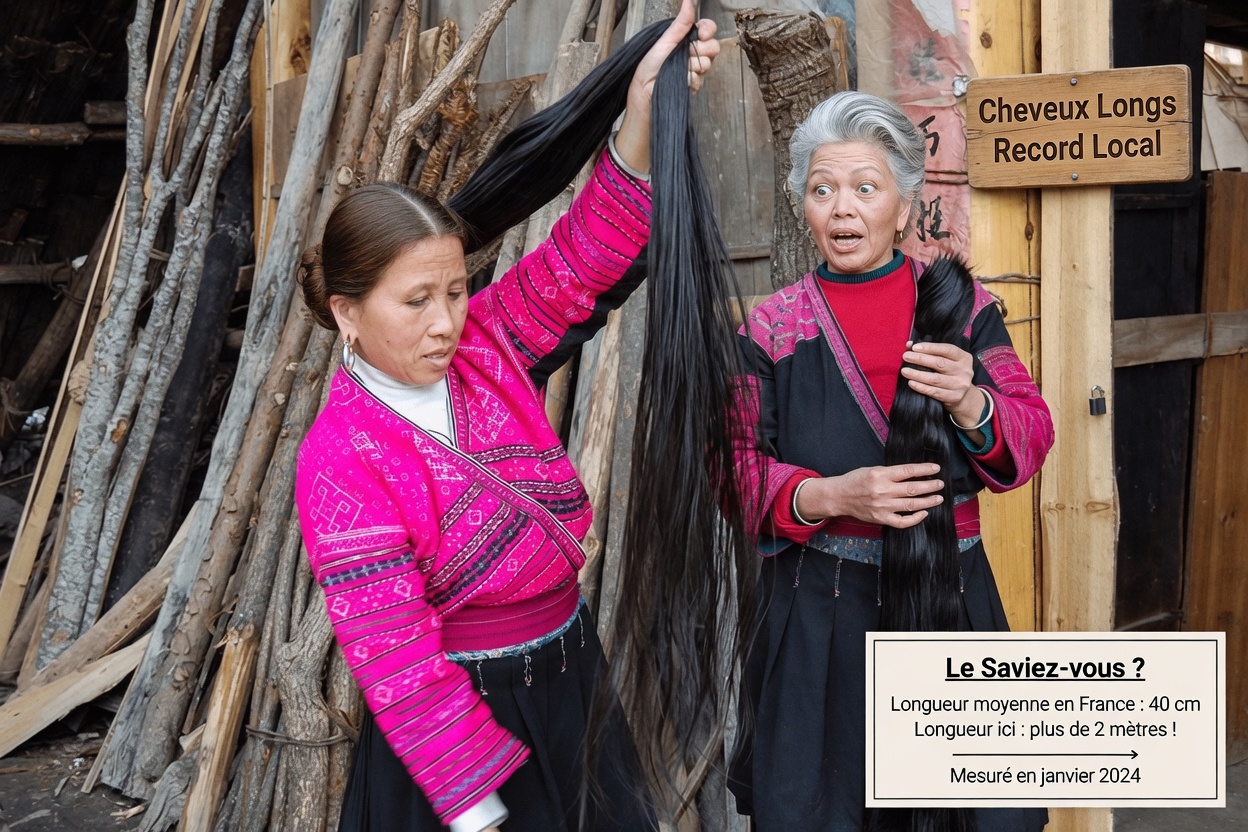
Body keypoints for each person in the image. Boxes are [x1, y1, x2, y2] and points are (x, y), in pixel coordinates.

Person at [292, 6, 720, 832]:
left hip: (569, 681)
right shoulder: (341, 456)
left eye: (455, 291)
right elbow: (396, 654)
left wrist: (640, 112)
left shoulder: (486, 345)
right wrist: (476, 807)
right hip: (460, 733)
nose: (447, 320)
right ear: (347, 313)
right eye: (416, 301)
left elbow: (582, 255)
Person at [727, 90, 1054, 831]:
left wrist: (973, 402)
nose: (842, 210)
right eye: (822, 189)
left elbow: (1033, 433)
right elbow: (733, 473)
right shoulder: (772, 329)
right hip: (821, 615)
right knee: (826, 809)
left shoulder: (963, 312)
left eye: (865, 189)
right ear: (803, 206)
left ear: (904, 207)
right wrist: (834, 494)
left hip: (949, 599)